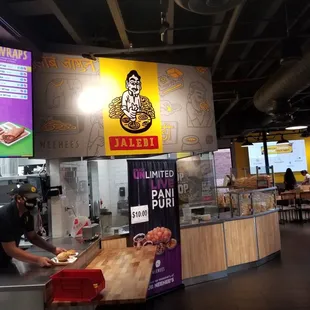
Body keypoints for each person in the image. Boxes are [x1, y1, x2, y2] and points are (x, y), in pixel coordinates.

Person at [0, 184, 66, 269]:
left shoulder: (27, 213)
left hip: (5, 260)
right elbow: (11, 250)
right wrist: (37, 259)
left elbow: (32, 236)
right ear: (19, 199)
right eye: (30, 199)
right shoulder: (4, 216)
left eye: (34, 198)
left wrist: (54, 249)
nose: (33, 202)